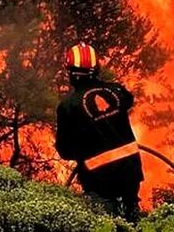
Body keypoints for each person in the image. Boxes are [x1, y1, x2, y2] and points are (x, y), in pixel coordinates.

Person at [55, 43, 144, 221]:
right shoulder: (117, 91)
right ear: (97, 68)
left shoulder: (68, 106)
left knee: (104, 223)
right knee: (132, 220)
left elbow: (65, 151)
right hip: (130, 172)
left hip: (98, 181)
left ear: (69, 72)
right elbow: (128, 100)